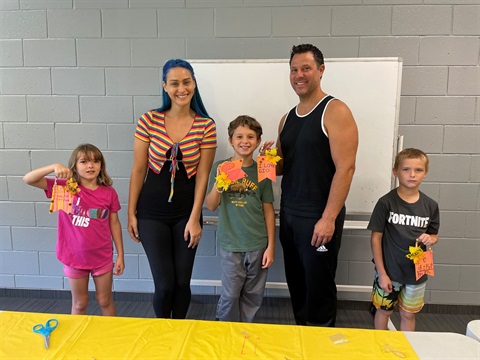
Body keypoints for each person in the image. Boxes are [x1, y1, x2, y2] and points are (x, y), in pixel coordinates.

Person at [262, 44, 358, 327]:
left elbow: (346, 168)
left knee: (319, 290)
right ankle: (304, 341)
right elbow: (278, 169)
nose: (299, 75)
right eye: (294, 69)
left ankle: (322, 348)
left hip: (319, 216)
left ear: (320, 70)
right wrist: (262, 160)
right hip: (290, 214)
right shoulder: (287, 118)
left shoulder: (335, 111)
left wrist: (328, 219)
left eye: (306, 68)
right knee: (298, 287)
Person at [128, 59, 217, 319]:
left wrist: (194, 218)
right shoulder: (149, 120)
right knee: (164, 285)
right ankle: (162, 331)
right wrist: (131, 213)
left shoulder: (205, 125)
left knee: (181, 284)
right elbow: (138, 170)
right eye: (175, 83)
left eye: (186, 82)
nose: (182, 88)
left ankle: (178, 332)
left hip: (185, 215)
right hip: (151, 213)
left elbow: (203, 176)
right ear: (165, 87)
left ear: (194, 84)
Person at [23, 143, 125, 316]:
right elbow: (28, 179)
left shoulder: (109, 193)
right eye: (84, 161)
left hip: (102, 257)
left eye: (95, 161)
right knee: (80, 303)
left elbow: (114, 223)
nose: (90, 165)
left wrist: (121, 255)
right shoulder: (64, 187)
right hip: (74, 256)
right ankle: (75, 340)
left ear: (101, 166)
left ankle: (112, 338)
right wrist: (53, 166)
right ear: (75, 166)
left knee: (105, 301)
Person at [205, 115, 275, 322]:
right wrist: (220, 183)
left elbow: (268, 209)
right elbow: (210, 205)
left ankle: (245, 329)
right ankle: (225, 330)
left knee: (253, 294)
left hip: (258, 243)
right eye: (239, 136)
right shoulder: (221, 167)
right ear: (230, 140)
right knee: (230, 294)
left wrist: (271, 246)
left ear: (258, 141)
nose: (245, 141)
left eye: (251, 137)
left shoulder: (263, 167)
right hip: (231, 243)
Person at [370, 148, 439, 331]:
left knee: (408, 314)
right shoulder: (386, 203)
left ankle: (406, 350)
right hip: (389, 272)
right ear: (395, 171)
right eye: (406, 169)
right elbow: (376, 238)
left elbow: (434, 234)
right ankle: (380, 349)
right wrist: (382, 273)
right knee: (384, 310)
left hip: (416, 273)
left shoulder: (431, 205)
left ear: (425, 173)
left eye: (418, 170)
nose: (412, 175)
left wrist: (431, 239)